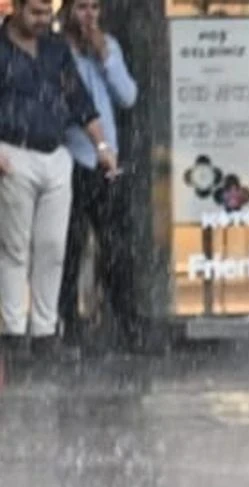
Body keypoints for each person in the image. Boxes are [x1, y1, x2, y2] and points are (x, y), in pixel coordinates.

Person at [0, 0, 117, 362]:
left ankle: (45, 330)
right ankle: (13, 330)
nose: (41, 21)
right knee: (15, 246)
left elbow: (78, 98)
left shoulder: (55, 49)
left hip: (55, 151)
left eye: (46, 14)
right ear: (16, 9)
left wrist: (101, 144)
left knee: (53, 246)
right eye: (34, 13)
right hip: (13, 151)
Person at [58, 0, 138, 351]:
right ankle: (68, 322)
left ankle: (125, 320)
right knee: (69, 247)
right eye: (81, 8)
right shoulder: (57, 51)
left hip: (107, 164)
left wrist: (105, 54)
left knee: (117, 246)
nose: (88, 16)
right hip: (72, 158)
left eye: (93, 8)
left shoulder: (109, 48)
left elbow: (128, 96)